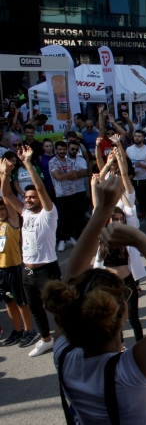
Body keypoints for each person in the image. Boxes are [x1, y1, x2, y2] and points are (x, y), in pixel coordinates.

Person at [45, 175, 146, 424]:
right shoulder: (130, 370)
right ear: (121, 316)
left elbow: (72, 276)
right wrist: (138, 238)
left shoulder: (65, 359)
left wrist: (102, 211)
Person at [1, 145, 60, 357]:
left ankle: (68, 339)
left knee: (58, 308)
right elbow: (7, 193)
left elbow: (42, 190)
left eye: (32, 197)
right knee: (36, 309)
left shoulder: (48, 213)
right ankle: (45, 340)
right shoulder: (24, 212)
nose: (28, 200)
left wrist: (27, 163)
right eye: (26, 197)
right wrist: (6, 173)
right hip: (28, 272)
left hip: (47, 271)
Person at [93, 149, 146, 342]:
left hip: (129, 282)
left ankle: (141, 345)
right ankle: (120, 345)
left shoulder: (127, 233)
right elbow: (96, 206)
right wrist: (105, 168)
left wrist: (121, 190)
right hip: (109, 284)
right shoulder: (103, 234)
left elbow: (130, 209)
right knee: (115, 318)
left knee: (133, 317)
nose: (118, 221)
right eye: (114, 218)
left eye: (120, 218)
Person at [0, 160, 34, 347]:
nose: (0, 212)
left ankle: (30, 330)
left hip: (14, 269)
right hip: (1, 271)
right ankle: (18, 330)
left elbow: (6, 196)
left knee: (20, 302)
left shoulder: (12, 221)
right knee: (8, 303)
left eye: (2, 208)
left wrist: (5, 175)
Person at [126, 129, 146, 231]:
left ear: (143, 138)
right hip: (133, 179)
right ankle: (135, 222)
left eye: (139, 136)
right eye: (135, 136)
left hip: (145, 179)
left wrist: (142, 166)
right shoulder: (129, 150)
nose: (137, 138)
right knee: (135, 201)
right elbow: (126, 165)